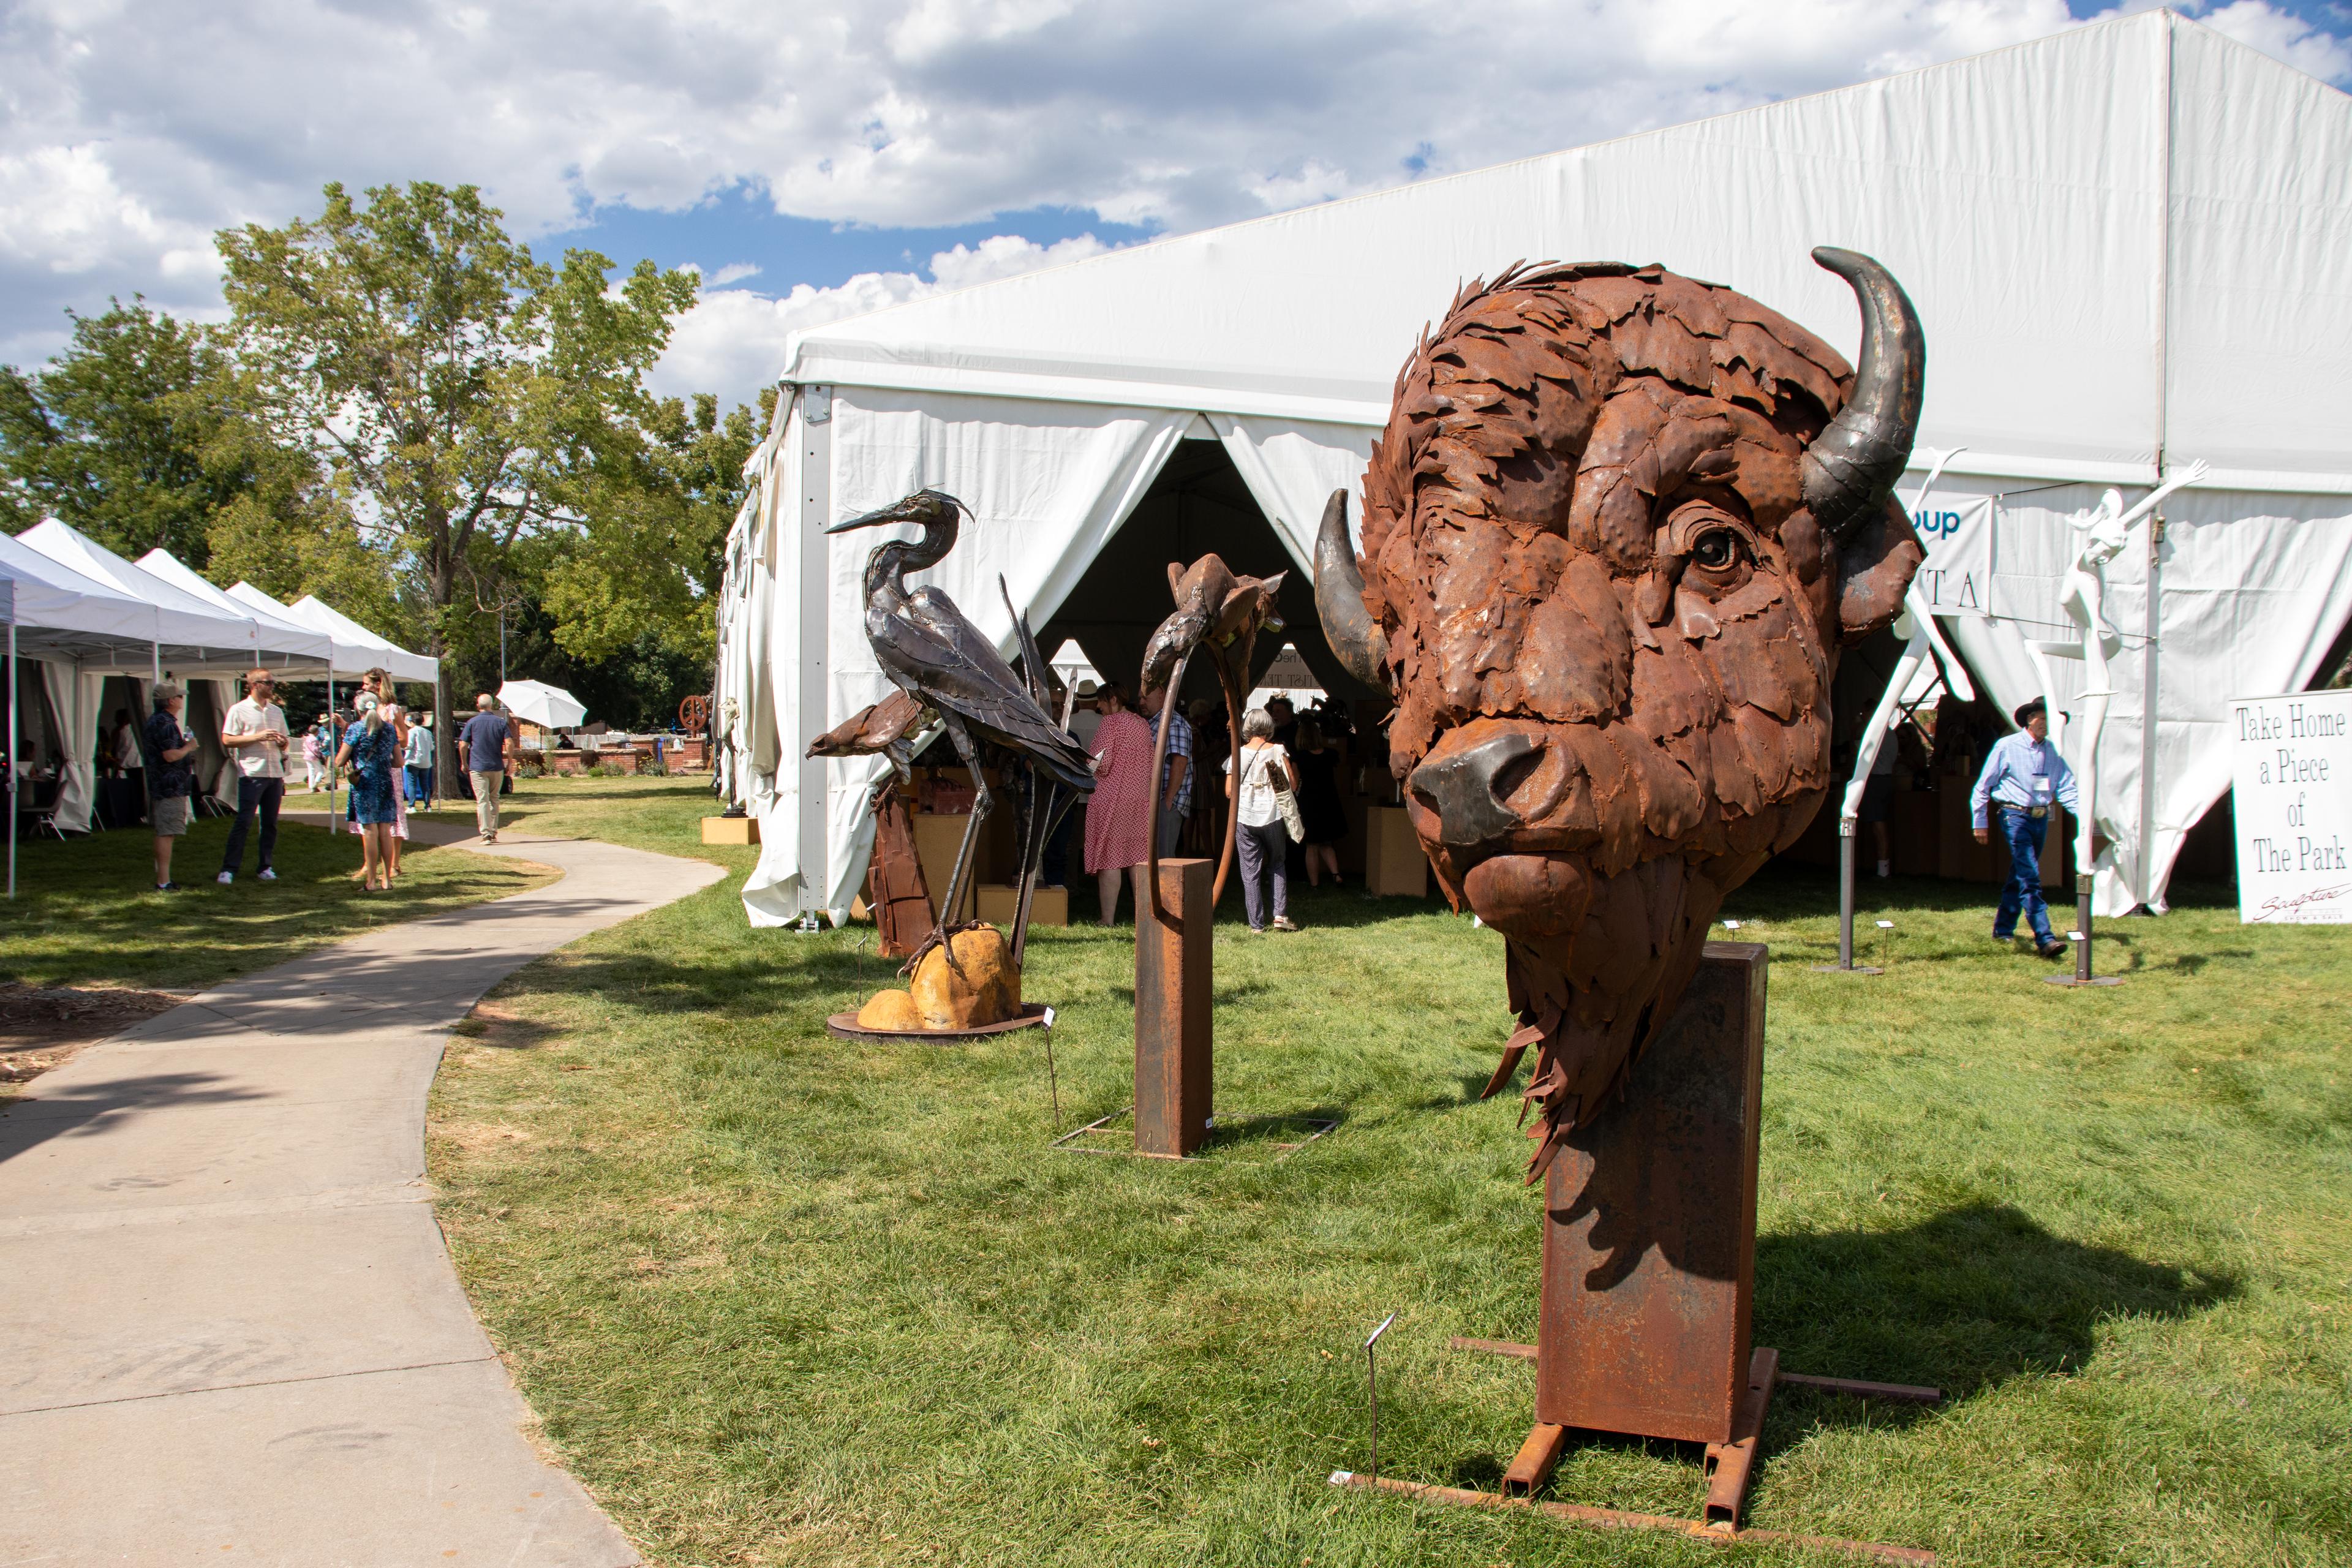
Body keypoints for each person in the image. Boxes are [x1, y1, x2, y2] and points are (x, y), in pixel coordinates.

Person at [1970, 699, 2079, 959]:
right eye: (2043, 719)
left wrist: (2086, 817)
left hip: (2040, 818)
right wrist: (1980, 823)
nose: (2047, 725)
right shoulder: (2007, 746)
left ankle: (2003, 928)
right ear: (2029, 719)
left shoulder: (2053, 751)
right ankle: (2045, 938)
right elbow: (1983, 786)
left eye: (2051, 720)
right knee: (2030, 875)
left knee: (2021, 872)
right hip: (2014, 815)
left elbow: (2066, 787)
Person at [1082, 682, 1153, 924]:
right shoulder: (1141, 724)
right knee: (1137, 859)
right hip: (1140, 798)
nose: (1099, 706)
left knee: (1109, 858)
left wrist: (1082, 762)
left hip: (1111, 797)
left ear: (1113, 700)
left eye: (1101, 701)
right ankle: (1143, 917)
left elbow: (1100, 763)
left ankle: (1107, 919)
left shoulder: (1110, 723)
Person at [1226, 708, 1297, 932]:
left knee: (1249, 871)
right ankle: (1279, 916)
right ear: (1269, 726)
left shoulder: (1238, 754)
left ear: (1248, 728)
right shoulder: (1278, 751)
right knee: (1277, 863)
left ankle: (1256, 925)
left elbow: (1229, 791)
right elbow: (1292, 785)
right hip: (1273, 815)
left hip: (1245, 817)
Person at [216, 669, 290, 884]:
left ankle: (265, 866)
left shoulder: (276, 712)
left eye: (273, 682)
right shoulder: (239, 710)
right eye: (268, 683)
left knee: (270, 823)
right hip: (252, 773)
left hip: (274, 773)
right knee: (244, 821)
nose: (272, 686)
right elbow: (228, 740)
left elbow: (285, 740)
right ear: (255, 685)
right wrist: (258, 737)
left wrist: (280, 742)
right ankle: (229, 869)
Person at [334, 693, 401, 891]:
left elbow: (339, 761)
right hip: (385, 782)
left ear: (358, 709)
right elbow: (398, 761)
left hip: (364, 783)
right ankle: (387, 880)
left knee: (370, 831)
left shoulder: (355, 729)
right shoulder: (389, 729)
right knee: (386, 832)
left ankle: (371, 881)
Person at [141, 684, 200, 892]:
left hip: (163, 784)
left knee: (167, 831)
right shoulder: (165, 723)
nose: (181, 700)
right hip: (169, 785)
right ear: (171, 701)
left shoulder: (157, 721)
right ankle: (164, 882)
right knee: (167, 832)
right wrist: (189, 747)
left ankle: (164, 879)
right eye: (179, 696)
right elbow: (170, 755)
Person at [1137, 681, 1193, 858]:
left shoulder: (1172, 723)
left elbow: (1180, 761)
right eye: (1139, 698)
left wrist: (1168, 799)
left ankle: (1166, 888)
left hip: (1166, 801)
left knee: (1163, 859)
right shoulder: (1155, 722)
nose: (1141, 703)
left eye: (1145, 698)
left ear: (1161, 694)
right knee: (1155, 857)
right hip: (1157, 801)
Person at [1291, 717, 1346, 886]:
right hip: (1329, 801)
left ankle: (1314, 884)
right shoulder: (1331, 754)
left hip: (1309, 802)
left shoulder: (1299, 757)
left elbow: (1294, 784)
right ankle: (1336, 874)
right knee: (1327, 843)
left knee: (1311, 846)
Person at [458, 693, 514, 843]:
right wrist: (509, 762)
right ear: (492, 706)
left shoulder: (472, 723)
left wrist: (464, 762)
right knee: (494, 799)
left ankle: (486, 834)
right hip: (496, 766)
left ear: (478, 705)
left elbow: (463, 744)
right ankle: (493, 831)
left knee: (482, 800)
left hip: (478, 766)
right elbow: (509, 743)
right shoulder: (500, 723)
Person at [402, 708, 434, 804]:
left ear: (412, 722)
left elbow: (409, 745)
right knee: (425, 784)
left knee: (412, 784)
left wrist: (402, 748)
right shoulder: (428, 733)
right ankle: (427, 805)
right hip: (426, 762)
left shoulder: (412, 732)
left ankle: (411, 806)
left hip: (414, 761)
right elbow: (432, 747)